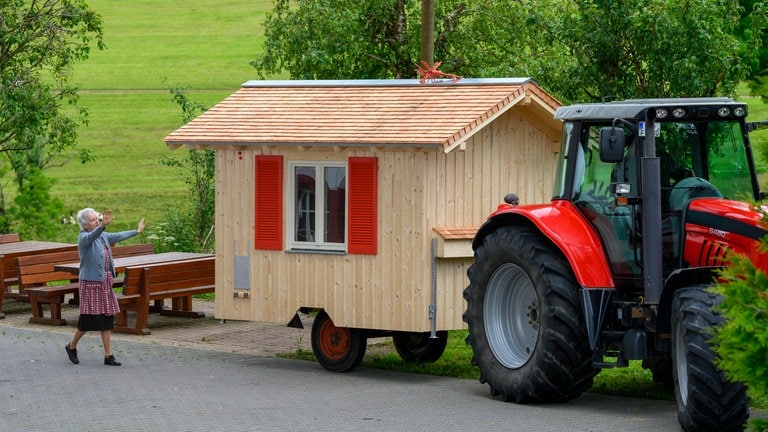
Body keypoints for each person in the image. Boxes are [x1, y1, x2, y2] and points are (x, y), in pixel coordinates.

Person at [65, 208, 145, 366]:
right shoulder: (84, 238)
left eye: (97, 218)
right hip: (90, 283)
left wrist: (137, 231)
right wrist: (103, 225)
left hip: (105, 282)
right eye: (93, 220)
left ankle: (108, 356)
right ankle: (71, 346)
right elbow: (92, 236)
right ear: (85, 225)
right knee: (88, 320)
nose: (97, 221)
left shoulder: (103, 235)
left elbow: (118, 236)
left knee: (107, 318)